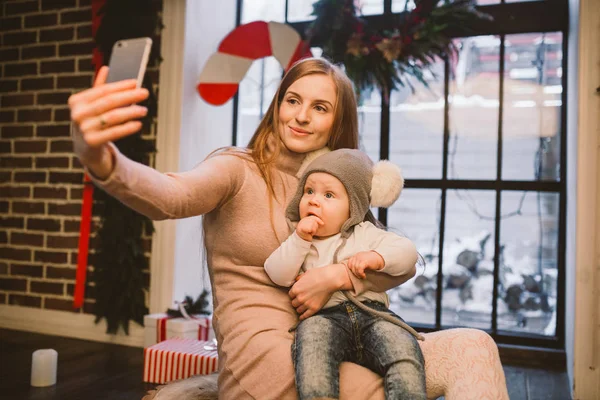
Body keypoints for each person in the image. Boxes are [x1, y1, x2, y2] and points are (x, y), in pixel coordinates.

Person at [68, 57, 509, 399]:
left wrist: (337, 275)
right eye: (292, 100)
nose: (300, 116)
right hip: (266, 357)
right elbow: (170, 196)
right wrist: (100, 158)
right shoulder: (236, 168)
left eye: (320, 107)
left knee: (474, 346)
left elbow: (395, 263)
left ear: (338, 122)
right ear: (277, 103)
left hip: (347, 336)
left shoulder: (338, 184)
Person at [265, 148, 426, 399]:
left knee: (403, 351)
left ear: (354, 205)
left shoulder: (365, 233)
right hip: (324, 318)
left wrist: (377, 258)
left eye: (328, 194)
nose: (314, 200)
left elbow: (408, 254)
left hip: (373, 314)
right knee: (312, 358)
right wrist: (299, 238)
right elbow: (276, 273)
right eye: (309, 191)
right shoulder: (300, 240)